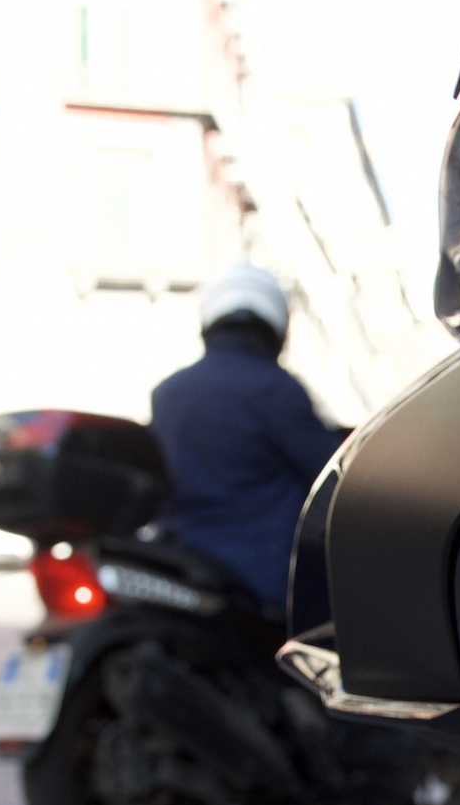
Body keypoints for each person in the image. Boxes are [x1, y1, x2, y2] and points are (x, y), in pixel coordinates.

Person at [146, 264, 345, 616]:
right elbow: (331, 472)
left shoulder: (168, 393)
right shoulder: (276, 389)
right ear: (275, 327)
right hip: (261, 579)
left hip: (182, 563)